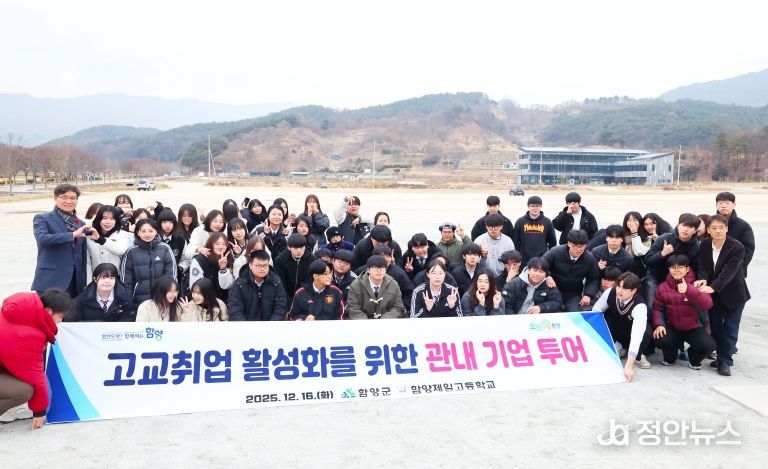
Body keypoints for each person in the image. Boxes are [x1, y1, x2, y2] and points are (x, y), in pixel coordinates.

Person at [0, 289, 73, 428]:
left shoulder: (20, 310)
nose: (60, 321)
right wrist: (39, 411)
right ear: (49, 311)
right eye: (60, 316)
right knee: (25, 391)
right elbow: (35, 377)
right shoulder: (30, 336)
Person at [695, 214, 751, 377]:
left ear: (726, 229)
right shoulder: (705, 244)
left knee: (730, 328)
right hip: (714, 294)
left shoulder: (737, 247)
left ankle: (725, 361)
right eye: (714, 228)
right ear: (708, 230)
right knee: (716, 327)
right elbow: (702, 265)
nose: (718, 231)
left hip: (734, 294)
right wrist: (703, 278)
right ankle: (721, 356)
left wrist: (713, 287)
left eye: (721, 227)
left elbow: (729, 272)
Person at [652, 255, 715, 370]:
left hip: (693, 327)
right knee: (659, 337)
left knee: (708, 345)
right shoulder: (662, 287)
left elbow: (708, 304)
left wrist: (689, 290)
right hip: (672, 326)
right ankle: (670, 356)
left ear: (687, 269)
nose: (676, 270)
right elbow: (657, 308)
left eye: (680, 267)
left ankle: (692, 357)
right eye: (672, 267)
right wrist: (659, 324)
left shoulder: (698, 284)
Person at [592, 272, 653, 381]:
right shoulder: (610, 292)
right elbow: (596, 310)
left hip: (630, 332)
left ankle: (637, 356)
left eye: (624, 288)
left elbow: (636, 335)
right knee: (599, 318)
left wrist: (628, 366)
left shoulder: (640, 306)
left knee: (646, 332)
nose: (619, 291)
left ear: (633, 291)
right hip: (614, 327)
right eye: (618, 286)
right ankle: (617, 346)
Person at [32, 184, 89, 297]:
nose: (68, 201)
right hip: (51, 280)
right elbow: (43, 239)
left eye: (72, 198)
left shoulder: (80, 223)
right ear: (55, 198)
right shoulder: (42, 218)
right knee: (49, 309)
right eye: (64, 197)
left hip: (75, 282)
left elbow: (82, 256)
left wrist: (83, 281)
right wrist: (72, 235)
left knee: (73, 309)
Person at [643, 213, 701, 305]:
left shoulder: (696, 247)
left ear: (695, 231)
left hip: (677, 281)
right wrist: (662, 253)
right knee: (652, 305)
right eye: (684, 225)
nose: (686, 229)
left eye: (690, 227)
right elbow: (647, 261)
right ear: (678, 226)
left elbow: (695, 268)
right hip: (655, 277)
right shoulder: (664, 238)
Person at [120, 219, 177, 306]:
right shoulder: (131, 251)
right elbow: (126, 280)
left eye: (150, 231)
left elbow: (171, 275)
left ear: (156, 231)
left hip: (161, 298)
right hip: (138, 301)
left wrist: (169, 296)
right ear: (138, 233)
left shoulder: (165, 248)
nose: (147, 234)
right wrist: (128, 302)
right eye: (143, 231)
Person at [542, 229, 600, 312]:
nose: (579, 249)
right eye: (575, 246)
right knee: (552, 311)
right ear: (569, 243)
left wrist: (588, 294)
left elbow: (594, 278)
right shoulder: (555, 252)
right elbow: (541, 264)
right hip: (553, 289)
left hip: (574, 294)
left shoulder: (589, 258)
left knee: (575, 313)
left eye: (582, 246)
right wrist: (547, 276)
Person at [228, 250, 288, 321]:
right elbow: (235, 308)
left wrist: (272, 324)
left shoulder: (275, 281)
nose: (262, 269)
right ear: (250, 265)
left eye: (265, 266)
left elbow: (281, 305)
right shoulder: (240, 283)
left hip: (270, 324)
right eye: (258, 266)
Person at [68, 263, 135, 322]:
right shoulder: (82, 300)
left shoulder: (125, 299)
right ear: (95, 279)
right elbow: (72, 322)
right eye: (103, 278)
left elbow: (129, 320)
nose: (107, 281)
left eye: (111, 278)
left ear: (116, 280)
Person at [347, 255, 406, 320]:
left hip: (387, 322)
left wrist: (383, 321)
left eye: (382, 268)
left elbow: (398, 307)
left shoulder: (393, 284)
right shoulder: (356, 284)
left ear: (386, 270)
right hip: (363, 323)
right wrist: (366, 323)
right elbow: (353, 308)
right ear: (368, 270)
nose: (378, 271)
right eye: (375, 268)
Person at [86, 205, 133, 281]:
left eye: (112, 218)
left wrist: (100, 239)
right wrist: (89, 284)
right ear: (98, 219)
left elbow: (120, 250)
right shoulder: (90, 236)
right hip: (96, 279)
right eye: (104, 218)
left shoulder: (123, 235)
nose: (108, 222)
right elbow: (87, 263)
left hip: (116, 279)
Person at [714, 191, 754, 277]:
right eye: (720, 203)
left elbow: (749, 249)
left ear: (734, 205)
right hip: (712, 270)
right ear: (716, 205)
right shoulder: (710, 223)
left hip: (736, 272)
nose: (723, 206)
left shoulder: (743, 225)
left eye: (727, 203)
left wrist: (738, 267)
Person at [188, 232, 235, 302]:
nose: (221, 247)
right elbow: (195, 286)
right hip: (203, 300)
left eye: (224, 244)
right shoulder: (200, 260)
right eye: (217, 244)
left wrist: (223, 268)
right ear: (211, 244)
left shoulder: (230, 258)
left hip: (223, 301)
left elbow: (226, 286)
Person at [512, 196, 557, 263]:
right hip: (524, 258)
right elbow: (515, 240)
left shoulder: (547, 222)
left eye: (537, 206)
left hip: (542, 258)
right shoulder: (520, 221)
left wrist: (549, 256)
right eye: (532, 206)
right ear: (528, 206)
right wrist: (518, 256)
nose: (535, 208)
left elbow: (552, 241)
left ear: (541, 207)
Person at [273, 233, 314, 300]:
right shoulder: (280, 260)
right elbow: (280, 282)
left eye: (301, 247)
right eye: (295, 248)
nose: (299, 251)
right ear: (289, 247)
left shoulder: (311, 259)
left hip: (305, 296)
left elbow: (310, 281)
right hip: (285, 296)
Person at [475, 213, 516, 278]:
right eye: (490, 226)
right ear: (486, 226)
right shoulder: (479, 240)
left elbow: (512, 262)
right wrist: (483, 257)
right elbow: (475, 262)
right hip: (483, 277)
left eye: (496, 227)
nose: (493, 229)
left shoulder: (508, 241)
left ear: (501, 226)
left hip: (503, 276)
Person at [156, 208, 188, 279]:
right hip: (157, 277)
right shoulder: (155, 239)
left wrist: (180, 269)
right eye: (164, 222)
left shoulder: (181, 239)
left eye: (171, 222)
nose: (168, 225)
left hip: (175, 277)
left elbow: (185, 259)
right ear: (159, 223)